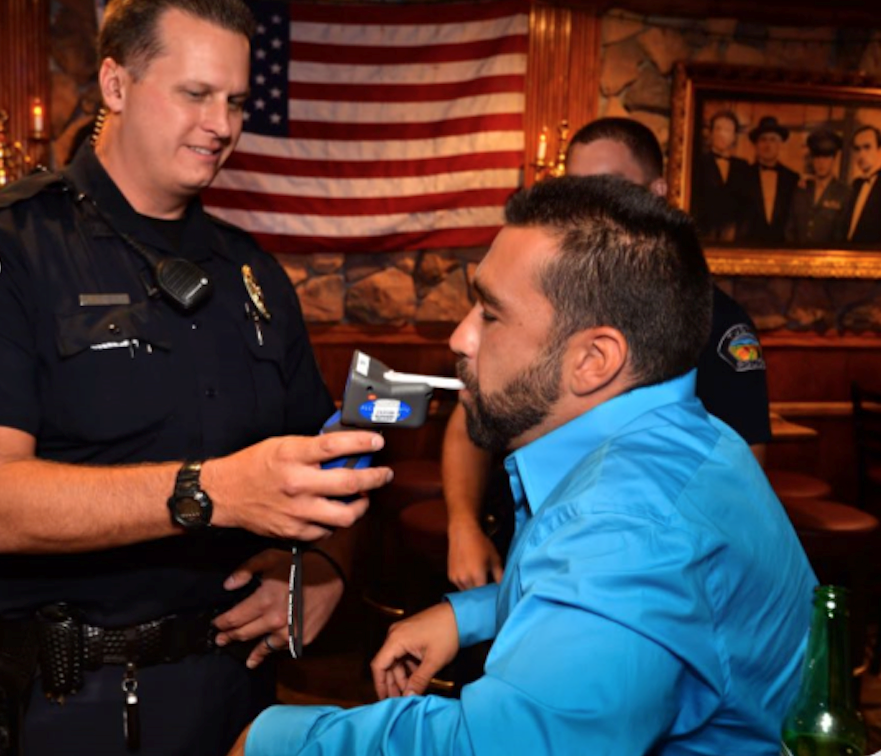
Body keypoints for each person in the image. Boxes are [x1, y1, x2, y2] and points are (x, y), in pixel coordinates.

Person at [0, 1, 392, 754]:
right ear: (115, 83)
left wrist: (321, 568)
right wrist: (215, 491)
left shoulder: (252, 273)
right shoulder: (2, 254)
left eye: (235, 101)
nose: (222, 124)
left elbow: (332, 461)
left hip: (242, 688)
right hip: (75, 701)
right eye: (195, 94)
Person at [228, 176, 817, 756]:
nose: (461, 337)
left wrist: (280, 739)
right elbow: (610, 601)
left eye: (490, 313)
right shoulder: (693, 435)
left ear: (593, 360)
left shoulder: (625, 525)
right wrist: (472, 614)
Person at [443, 117, 771, 591]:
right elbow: (475, 406)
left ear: (657, 192)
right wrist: (463, 527)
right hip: (530, 550)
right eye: (576, 189)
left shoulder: (716, 322)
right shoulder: (540, 300)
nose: (589, 207)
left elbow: (740, 479)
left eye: (607, 188)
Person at [736, 116, 800, 243]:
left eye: (773, 140)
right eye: (763, 139)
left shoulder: (793, 178)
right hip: (748, 247)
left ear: (780, 144)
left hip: (783, 248)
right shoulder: (741, 176)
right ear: (756, 145)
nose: (768, 145)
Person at [785, 129, 850, 245]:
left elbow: (842, 235)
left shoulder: (845, 193)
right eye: (817, 157)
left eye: (826, 157)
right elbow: (790, 229)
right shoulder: (801, 189)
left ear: (834, 159)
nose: (821, 163)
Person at [692, 109, 748, 241]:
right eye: (718, 129)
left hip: (736, 238)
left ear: (734, 136)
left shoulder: (743, 167)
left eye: (727, 130)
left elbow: (747, 204)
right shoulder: (697, 163)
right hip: (704, 235)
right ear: (710, 133)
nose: (722, 134)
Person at [839, 125, 881, 244]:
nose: (861, 154)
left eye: (867, 147)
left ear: (879, 149)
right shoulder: (856, 185)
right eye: (857, 149)